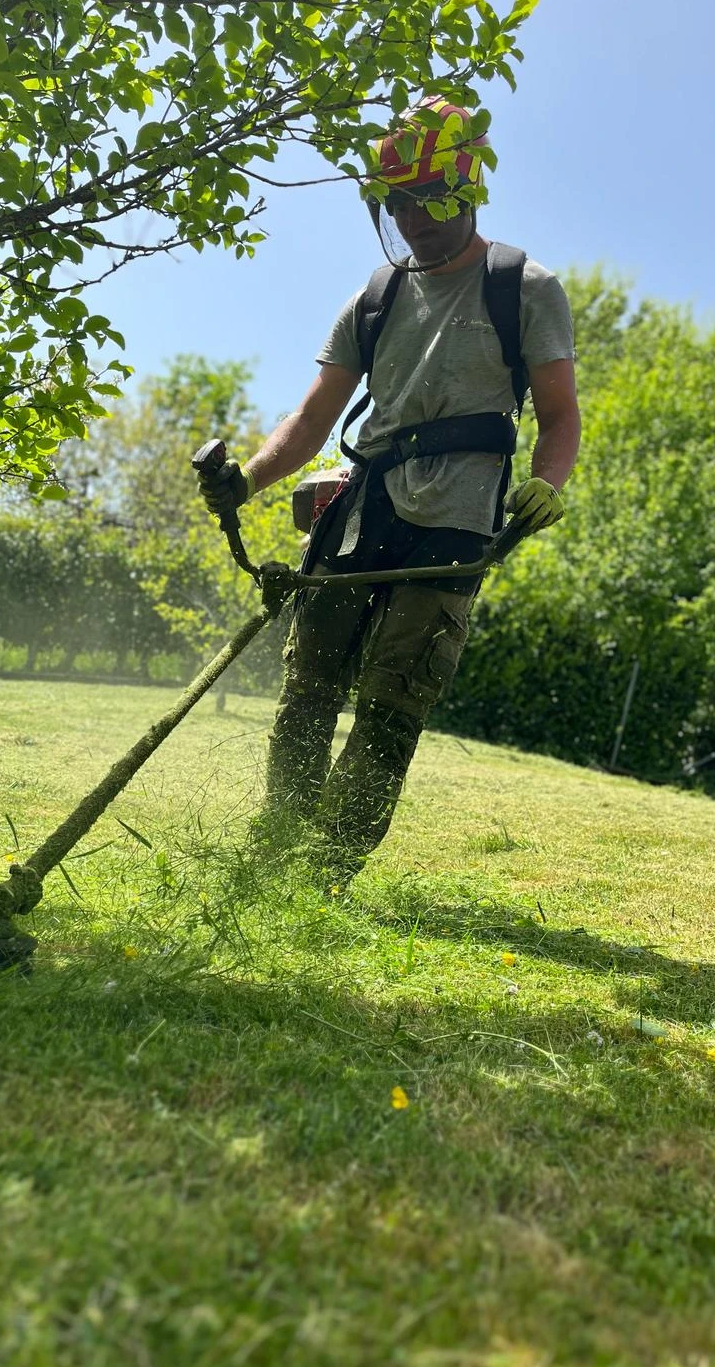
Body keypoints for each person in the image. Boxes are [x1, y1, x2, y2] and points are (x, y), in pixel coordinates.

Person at [197, 101, 581, 881]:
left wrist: (547, 483)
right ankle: (277, 841)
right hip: (358, 512)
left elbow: (561, 415)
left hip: (455, 526)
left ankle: (323, 873)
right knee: (308, 687)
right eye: (397, 203)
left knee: (391, 702)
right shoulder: (374, 298)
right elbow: (310, 420)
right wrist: (247, 483)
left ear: (467, 189)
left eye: (427, 200)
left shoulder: (524, 288)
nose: (412, 219)